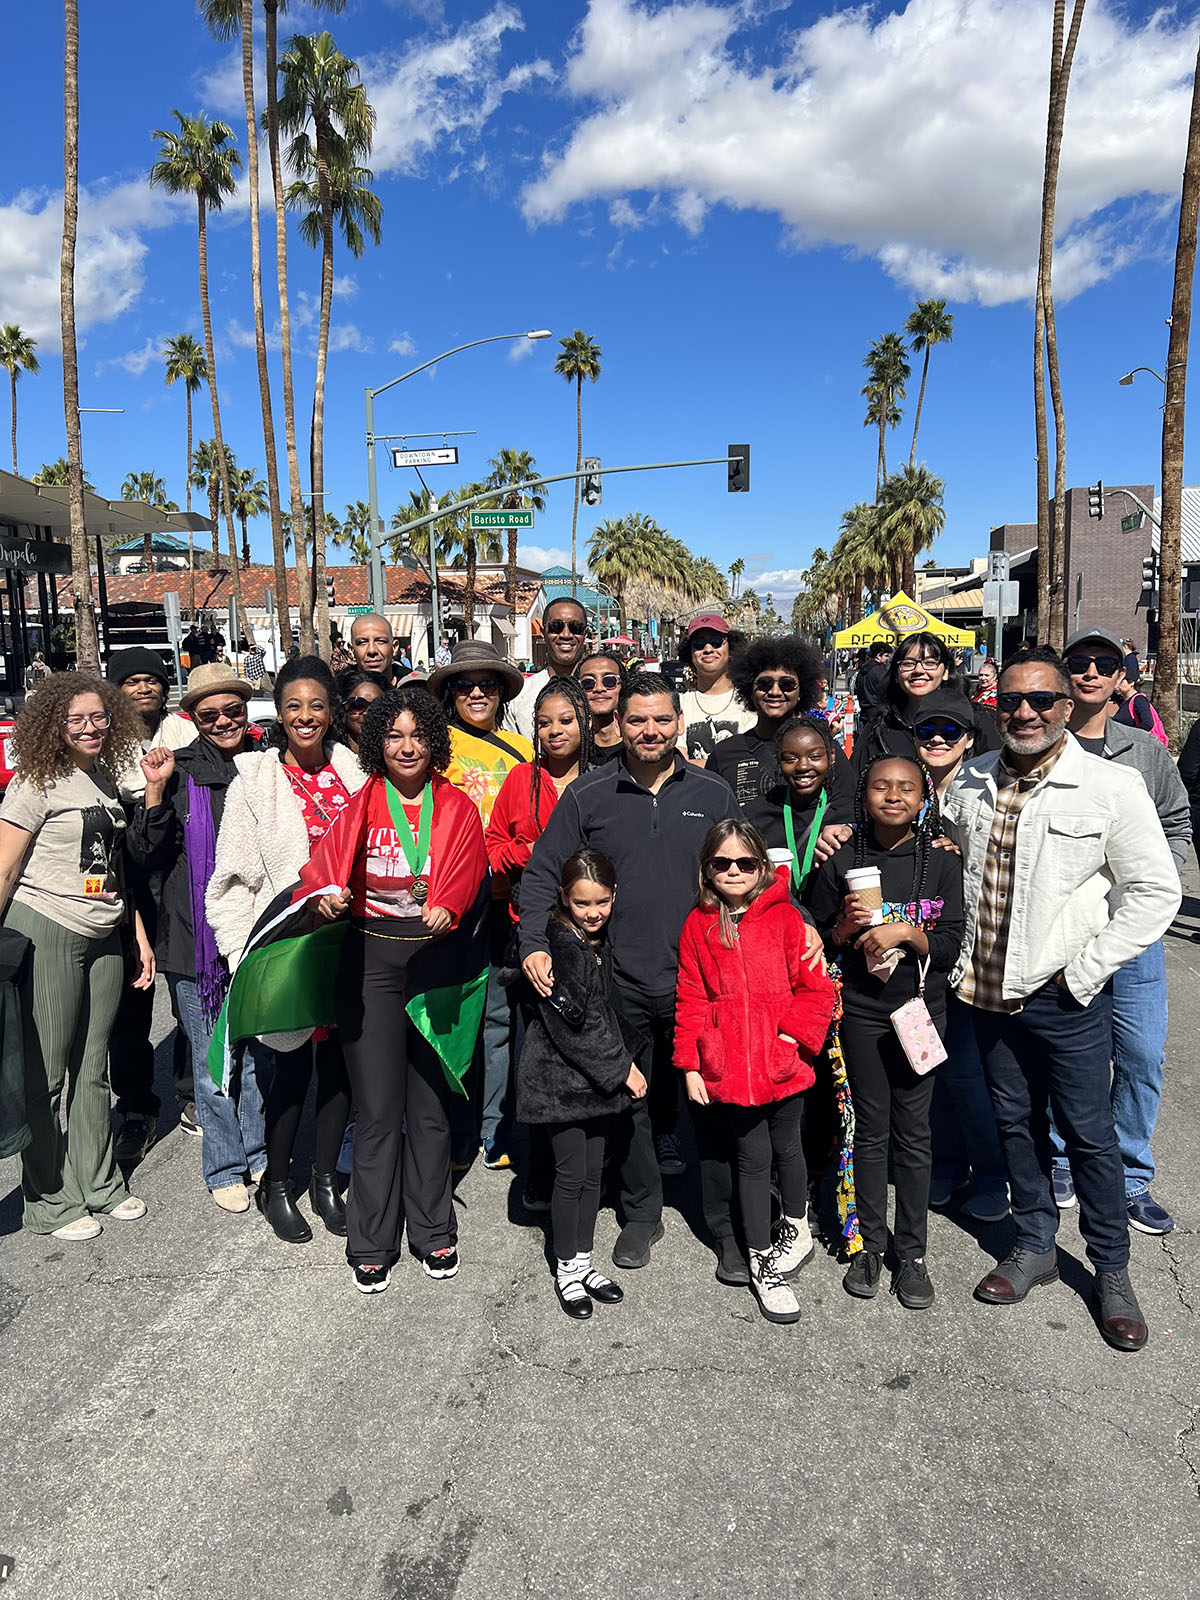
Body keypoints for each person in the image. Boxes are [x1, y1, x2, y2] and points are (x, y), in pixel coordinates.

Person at [942, 647, 1181, 1351]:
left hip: (1066, 998)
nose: (1024, 711)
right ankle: (1037, 1244)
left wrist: (1085, 971)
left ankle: (1111, 1270)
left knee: (1090, 1138)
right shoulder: (970, 782)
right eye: (1012, 699)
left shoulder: (1110, 787)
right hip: (985, 994)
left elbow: (1157, 892)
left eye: (1041, 700)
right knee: (1016, 1125)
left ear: (1066, 708)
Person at [518, 671, 745, 1276]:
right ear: (618, 721)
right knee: (631, 1102)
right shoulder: (589, 796)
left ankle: (725, 1226)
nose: (650, 731)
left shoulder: (714, 793)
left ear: (679, 721)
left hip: (702, 980)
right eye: (637, 719)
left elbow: (747, 874)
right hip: (617, 981)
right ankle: (642, 1214)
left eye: (662, 719)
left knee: (715, 1101)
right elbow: (543, 873)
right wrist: (534, 944)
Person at [310, 687, 488, 1294]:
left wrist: (449, 902)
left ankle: (434, 1230)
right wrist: (329, 893)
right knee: (379, 1110)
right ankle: (371, 1240)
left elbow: (470, 867)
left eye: (417, 735)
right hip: (373, 961)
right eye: (393, 736)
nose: (406, 747)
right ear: (377, 745)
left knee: (431, 1108)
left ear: (433, 742)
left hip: (436, 963)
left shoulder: (457, 806)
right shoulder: (363, 803)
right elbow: (324, 865)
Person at [206, 656, 367, 1244]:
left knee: (341, 1069)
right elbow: (229, 880)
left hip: (350, 941)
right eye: (294, 706)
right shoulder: (255, 780)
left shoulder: (356, 772)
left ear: (332, 712)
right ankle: (277, 1186)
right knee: (291, 1071)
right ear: (280, 712)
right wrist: (238, 955)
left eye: (317, 706)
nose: (305, 717)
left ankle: (325, 1182)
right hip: (286, 945)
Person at [0, 673, 154, 1239]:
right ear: (52, 727)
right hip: (47, 927)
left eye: (99, 717)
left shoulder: (107, 779)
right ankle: (48, 1199)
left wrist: (134, 931)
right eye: (77, 720)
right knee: (46, 1071)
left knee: (93, 1067)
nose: (91, 728)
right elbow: (6, 866)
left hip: (104, 929)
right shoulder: (35, 782)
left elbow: (113, 867)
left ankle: (100, 1182)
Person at [810, 757, 964, 1310]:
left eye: (906, 788)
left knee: (915, 1132)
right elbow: (815, 933)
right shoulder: (843, 859)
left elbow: (950, 945)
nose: (893, 796)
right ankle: (869, 1245)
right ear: (865, 794)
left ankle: (913, 1253)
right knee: (870, 1128)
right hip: (862, 1012)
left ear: (924, 797)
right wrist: (844, 929)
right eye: (881, 786)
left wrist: (910, 934)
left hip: (921, 1012)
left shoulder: (942, 862)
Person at [1054, 627, 1190, 1235]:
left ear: (1119, 675)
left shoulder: (1145, 751)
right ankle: (1061, 1158)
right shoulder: (1042, 746)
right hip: (1067, 931)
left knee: (1138, 1055)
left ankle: (1131, 1174)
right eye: (1078, 662)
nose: (1089, 672)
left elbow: (1178, 824)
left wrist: (1158, 878)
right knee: (1064, 1055)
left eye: (1102, 663)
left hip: (1133, 935)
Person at [675, 821, 836, 1323]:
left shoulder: (786, 919)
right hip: (730, 1068)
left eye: (745, 863)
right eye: (722, 864)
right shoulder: (697, 924)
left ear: (762, 866)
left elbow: (817, 991)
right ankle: (763, 1259)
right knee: (751, 1156)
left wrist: (793, 1040)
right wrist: (691, 1064)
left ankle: (796, 1223)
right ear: (707, 869)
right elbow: (691, 998)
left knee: (789, 1146)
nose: (734, 872)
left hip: (783, 1062)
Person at [129, 663, 272, 1215]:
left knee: (259, 1055)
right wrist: (156, 791)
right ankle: (224, 1165)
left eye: (233, 710)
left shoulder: (264, 769)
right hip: (195, 943)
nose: (223, 722)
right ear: (193, 718)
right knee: (215, 1064)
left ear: (245, 708)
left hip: (256, 935)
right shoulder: (179, 770)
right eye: (208, 714)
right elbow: (146, 856)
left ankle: (258, 1152)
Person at [516, 849, 646, 1318]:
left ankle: (584, 1260)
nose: (594, 914)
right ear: (563, 899)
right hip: (559, 1086)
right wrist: (623, 1068)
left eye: (602, 903)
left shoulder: (589, 942)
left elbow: (603, 1013)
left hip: (588, 1083)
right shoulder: (564, 947)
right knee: (571, 1176)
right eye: (582, 904)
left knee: (592, 1173)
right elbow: (578, 1025)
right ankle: (567, 1268)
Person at [428, 640, 533, 1169]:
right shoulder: (432, 745)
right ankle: (454, 1130)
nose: (475, 692)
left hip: (508, 903)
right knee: (453, 1019)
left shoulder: (521, 748)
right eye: (464, 685)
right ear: (449, 694)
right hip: (452, 904)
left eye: (486, 684)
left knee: (498, 1017)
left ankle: (494, 1130)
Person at [912, 691, 1009, 1223]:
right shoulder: (909, 785)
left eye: (951, 733)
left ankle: (992, 1174)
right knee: (936, 1069)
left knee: (970, 1073)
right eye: (929, 733)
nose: (939, 741)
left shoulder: (982, 786)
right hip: (921, 960)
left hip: (971, 953)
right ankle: (947, 1164)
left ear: (970, 739)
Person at [105, 646, 199, 1162]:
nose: (144, 688)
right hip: (127, 879)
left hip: (179, 874)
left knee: (187, 992)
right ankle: (136, 1108)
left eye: (152, 680)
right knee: (132, 1005)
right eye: (132, 681)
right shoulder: (105, 740)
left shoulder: (184, 731)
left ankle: (191, 1094)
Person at [710, 635, 850, 842]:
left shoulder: (823, 747)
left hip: (815, 867)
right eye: (765, 683)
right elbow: (713, 818)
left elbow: (849, 807)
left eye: (787, 684)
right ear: (750, 689)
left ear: (802, 691)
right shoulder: (724, 754)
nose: (775, 691)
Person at [854, 632, 1000, 772]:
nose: (918, 670)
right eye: (908, 663)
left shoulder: (977, 720)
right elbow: (852, 787)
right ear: (897, 674)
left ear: (946, 672)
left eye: (930, 663)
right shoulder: (880, 726)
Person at [677, 614, 754, 765]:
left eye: (716, 642)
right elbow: (679, 764)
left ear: (731, 649)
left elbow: (749, 764)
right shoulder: (678, 704)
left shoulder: (750, 702)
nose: (708, 649)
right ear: (690, 653)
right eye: (699, 644)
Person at [510, 596, 590, 740]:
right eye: (556, 627)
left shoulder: (602, 692)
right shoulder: (519, 695)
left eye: (576, 627)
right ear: (543, 632)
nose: (566, 635)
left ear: (585, 633)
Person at [578, 652, 625, 762]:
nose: (599, 688)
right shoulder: (572, 751)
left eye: (609, 681)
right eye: (588, 683)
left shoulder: (638, 745)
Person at [340, 669, 391, 757]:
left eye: (377, 705)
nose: (367, 713)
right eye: (357, 705)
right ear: (343, 707)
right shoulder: (327, 758)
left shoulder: (397, 758)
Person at [1112, 673, 1166, 743]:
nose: (1116, 685)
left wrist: (1129, 737)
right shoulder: (1124, 701)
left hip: (1142, 747)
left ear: (1131, 683)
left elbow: (1147, 724)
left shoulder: (1139, 700)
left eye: (1121, 682)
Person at [348, 613, 400, 684]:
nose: (372, 650)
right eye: (362, 642)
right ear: (351, 650)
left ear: (394, 647)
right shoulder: (336, 693)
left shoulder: (417, 689)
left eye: (380, 641)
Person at [853, 641, 892, 716]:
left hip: (864, 711)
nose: (887, 658)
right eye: (886, 655)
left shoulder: (861, 671)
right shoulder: (880, 672)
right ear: (878, 656)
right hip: (878, 714)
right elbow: (886, 692)